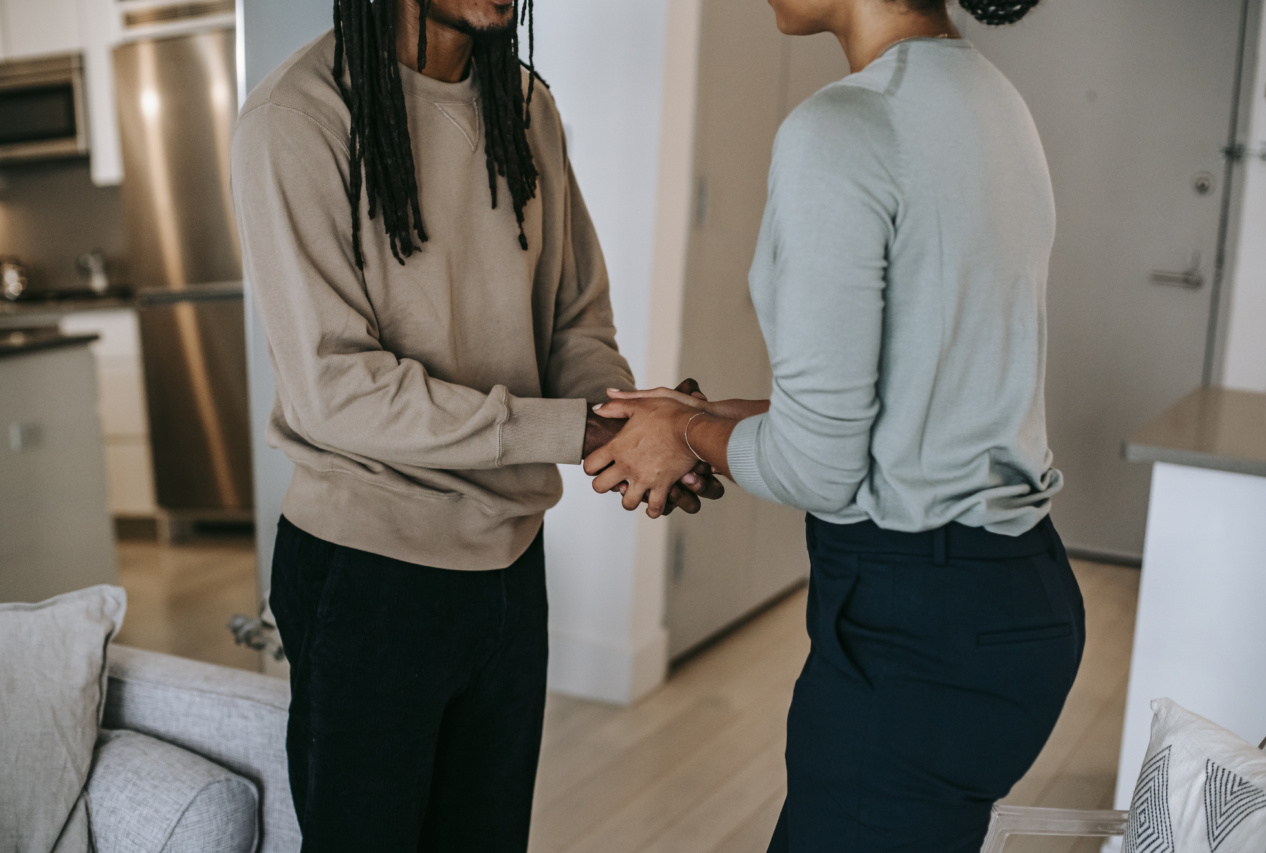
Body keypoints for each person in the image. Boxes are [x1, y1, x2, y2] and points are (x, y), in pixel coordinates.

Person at [584, 0, 1084, 849]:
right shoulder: (993, 99)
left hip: (915, 629)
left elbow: (822, 466)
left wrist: (681, 438)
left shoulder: (842, 126)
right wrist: (701, 415)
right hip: (1013, 594)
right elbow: (911, 400)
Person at [230, 0, 720, 848]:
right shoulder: (296, 119)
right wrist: (587, 434)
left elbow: (575, 320)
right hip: (369, 575)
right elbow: (337, 390)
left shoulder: (524, 106)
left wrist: (636, 430)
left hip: (508, 567)